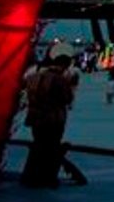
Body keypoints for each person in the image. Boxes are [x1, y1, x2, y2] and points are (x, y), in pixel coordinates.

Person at [22, 54, 80, 187]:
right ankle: (46, 178)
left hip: (35, 117)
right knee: (50, 148)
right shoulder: (60, 80)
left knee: (38, 145)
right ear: (65, 65)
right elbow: (67, 99)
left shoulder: (33, 77)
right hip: (53, 118)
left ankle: (31, 175)